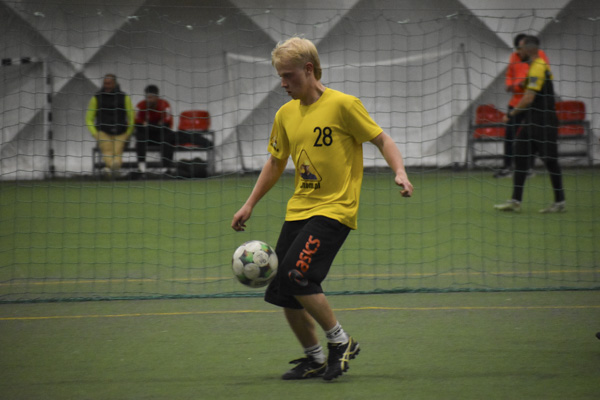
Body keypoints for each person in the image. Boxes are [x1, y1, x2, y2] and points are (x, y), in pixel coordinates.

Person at [231, 37, 414, 381]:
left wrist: (400, 172)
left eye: (288, 76)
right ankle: (314, 358)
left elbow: (382, 140)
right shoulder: (285, 114)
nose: (283, 84)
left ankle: (340, 341)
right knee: (284, 291)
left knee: (296, 275)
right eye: (280, 77)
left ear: (309, 69)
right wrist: (249, 203)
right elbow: (275, 162)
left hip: (335, 210)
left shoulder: (344, 105)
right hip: (298, 211)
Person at [494, 35, 565, 213]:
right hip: (531, 121)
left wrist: (511, 114)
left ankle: (559, 202)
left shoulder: (539, 67)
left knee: (550, 161)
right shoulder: (533, 67)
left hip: (544, 122)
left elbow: (528, 98)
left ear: (529, 49)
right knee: (520, 156)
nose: (518, 52)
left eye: (520, 49)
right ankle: (515, 201)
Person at [495, 34, 550, 178]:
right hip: (516, 102)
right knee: (510, 135)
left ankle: (529, 168)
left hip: (533, 103)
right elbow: (509, 77)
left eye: (523, 47)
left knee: (533, 136)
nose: (521, 51)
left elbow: (543, 77)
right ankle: (507, 167)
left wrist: (524, 84)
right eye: (519, 48)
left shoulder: (539, 58)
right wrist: (512, 85)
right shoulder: (514, 57)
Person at [86, 74, 135, 177]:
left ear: (115, 84)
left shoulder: (124, 97)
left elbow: (132, 117)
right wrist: (95, 133)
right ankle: (114, 168)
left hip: (121, 131)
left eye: (109, 83)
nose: (107, 86)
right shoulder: (96, 98)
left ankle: (109, 170)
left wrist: (128, 133)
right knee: (107, 150)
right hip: (102, 131)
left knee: (117, 151)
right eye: (105, 83)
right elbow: (89, 118)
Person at [133, 84, 175, 177]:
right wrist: (156, 125)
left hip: (160, 135)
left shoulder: (165, 105)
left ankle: (166, 168)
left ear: (156, 97)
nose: (149, 100)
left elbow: (166, 125)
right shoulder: (140, 106)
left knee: (168, 136)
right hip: (147, 135)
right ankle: (141, 168)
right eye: (147, 97)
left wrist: (148, 124)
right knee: (140, 136)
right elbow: (138, 124)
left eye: (151, 97)